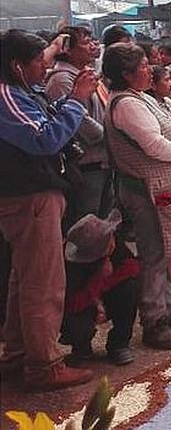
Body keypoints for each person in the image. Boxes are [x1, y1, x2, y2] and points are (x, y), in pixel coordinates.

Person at [0, 30, 95, 391]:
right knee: (43, 283)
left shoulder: (20, 90)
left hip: (34, 197)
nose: (45, 66)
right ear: (16, 66)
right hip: (29, 198)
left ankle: (18, 353)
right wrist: (76, 102)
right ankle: (44, 365)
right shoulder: (7, 96)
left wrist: (56, 46)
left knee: (24, 279)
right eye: (39, 61)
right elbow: (44, 139)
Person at [102, 43, 171, 349]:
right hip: (146, 188)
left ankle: (168, 309)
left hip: (160, 183)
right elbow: (154, 144)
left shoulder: (141, 97)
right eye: (143, 66)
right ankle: (153, 321)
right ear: (126, 74)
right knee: (154, 253)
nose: (149, 70)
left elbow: (166, 130)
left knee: (167, 248)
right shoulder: (127, 105)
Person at [45, 26, 111, 223]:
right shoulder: (62, 80)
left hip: (102, 158)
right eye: (85, 42)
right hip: (86, 162)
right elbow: (80, 121)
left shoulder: (85, 74)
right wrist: (110, 135)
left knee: (103, 217)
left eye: (92, 40)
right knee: (86, 221)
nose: (93, 46)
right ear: (67, 50)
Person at [62, 209, 140, 366]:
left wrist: (103, 287)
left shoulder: (114, 241)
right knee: (74, 321)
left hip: (104, 292)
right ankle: (81, 347)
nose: (112, 240)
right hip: (84, 302)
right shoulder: (70, 265)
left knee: (130, 289)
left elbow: (132, 268)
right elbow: (71, 304)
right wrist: (98, 283)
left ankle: (119, 343)